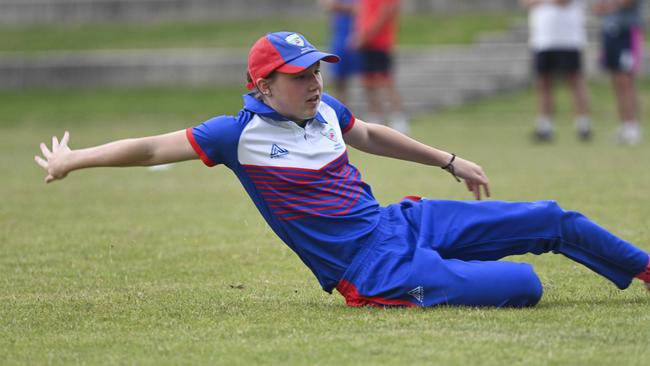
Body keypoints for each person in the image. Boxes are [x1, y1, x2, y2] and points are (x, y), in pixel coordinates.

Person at [35, 31, 650, 308]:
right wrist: (73, 160)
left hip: (399, 224)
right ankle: (426, 281)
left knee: (550, 218)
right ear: (263, 84)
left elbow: (372, 133)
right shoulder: (235, 135)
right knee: (526, 287)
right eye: (300, 75)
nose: (315, 82)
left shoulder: (324, 108)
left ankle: (644, 268)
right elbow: (147, 149)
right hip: (370, 268)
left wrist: (450, 161)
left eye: (317, 70)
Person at [522, 0, 592, 142]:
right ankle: (545, 127)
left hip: (568, 38)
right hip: (543, 37)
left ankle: (583, 125)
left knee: (575, 82)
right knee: (543, 83)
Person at [353, 0, 410, 135]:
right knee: (368, 83)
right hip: (367, 43)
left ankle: (398, 119)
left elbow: (384, 14)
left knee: (385, 82)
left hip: (379, 43)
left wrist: (365, 36)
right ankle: (375, 118)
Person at [594, 0, 644, 145]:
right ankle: (625, 125)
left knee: (627, 81)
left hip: (627, 33)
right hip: (611, 32)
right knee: (617, 83)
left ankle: (633, 127)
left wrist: (609, 5)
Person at [320, 0, 361, 105]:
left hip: (359, 36)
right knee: (339, 80)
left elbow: (360, 9)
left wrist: (340, 7)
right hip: (339, 37)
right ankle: (340, 110)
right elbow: (327, 5)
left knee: (369, 79)